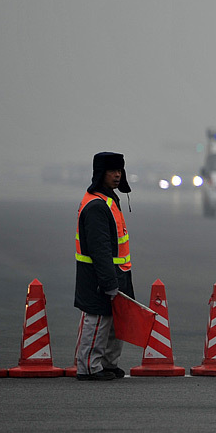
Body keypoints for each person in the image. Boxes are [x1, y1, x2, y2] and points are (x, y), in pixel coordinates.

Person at [74, 152, 135, 381]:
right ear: (100, 173)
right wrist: (108, 282)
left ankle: (108, 363)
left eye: (119, 170)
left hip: (118, 272)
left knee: (115, 320)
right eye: (112, 171)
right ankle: (88, 367)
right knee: (97, 319)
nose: (117, 175)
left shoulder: (109, 200)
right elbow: (100, 250)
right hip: (99, 275)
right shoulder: (97, 206)